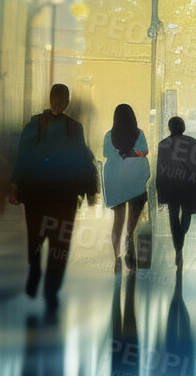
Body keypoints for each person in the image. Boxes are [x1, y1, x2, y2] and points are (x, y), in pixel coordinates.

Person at [11, 84, 97, 313]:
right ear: (54, 100)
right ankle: (49, 285)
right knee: (58, 242)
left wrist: (16, 186)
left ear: (65, 101)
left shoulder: (37, 126)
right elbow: (83, 159)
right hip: (61, 196)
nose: (59, 104)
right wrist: (89, 190)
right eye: (57, 99)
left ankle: (41, 277)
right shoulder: (71, 128)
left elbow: (23, 156)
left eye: (61, 100)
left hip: (41, 195)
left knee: (39, 238)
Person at [102, 103, 151, 274]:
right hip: (135, 179)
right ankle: (129, 239)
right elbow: (144, 151)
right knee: (132, 219)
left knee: (118, 219)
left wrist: (121, 153)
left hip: (115, 180)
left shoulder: (109, 135)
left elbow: (106, 154)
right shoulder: (139, 134)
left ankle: (116, 257)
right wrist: (132, 153)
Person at [155, 116, 196, 269]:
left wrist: (159, 189)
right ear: (183, 127)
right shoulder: (192, 142)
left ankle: (178, 248)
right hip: (188, 184)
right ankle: (181, 239)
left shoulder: (163, 144)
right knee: (187, 212)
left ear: (170, 127)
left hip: (171, 185)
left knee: (173, 215)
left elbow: (160, 168)